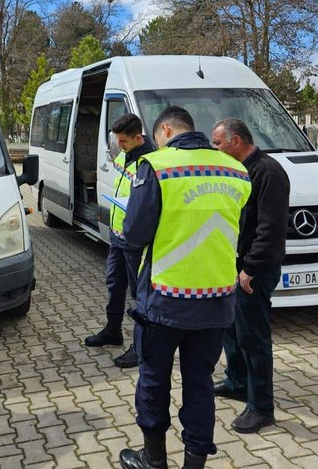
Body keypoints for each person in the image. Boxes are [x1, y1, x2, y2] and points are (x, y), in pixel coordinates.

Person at [119, 106, 251, 469]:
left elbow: (134, 233)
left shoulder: (156, 166)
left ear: (165, 130)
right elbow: (239, 229)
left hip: (164, 301)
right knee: (200, 383)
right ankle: (195, 464)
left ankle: (154, 460)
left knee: (153, 381)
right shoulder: (236, 170)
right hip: (216, 302)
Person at [211, 118, 290, 434]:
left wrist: (250, 268)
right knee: (231, 329)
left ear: (236, 141)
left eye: (218, 142)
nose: (215, 148)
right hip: (235, 266)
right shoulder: (237, 170)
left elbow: (270, 229)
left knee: (253, 338)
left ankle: (261, 407)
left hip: (254, 271)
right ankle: (237, 381)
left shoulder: (268, 172)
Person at [84, 113, 156, 368]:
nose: (120, 146)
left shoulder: (151, 161)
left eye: (124, 141)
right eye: (118, 141)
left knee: (139, 295)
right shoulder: (125, 156)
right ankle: (113, 331)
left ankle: (140, 346)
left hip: (135, 241)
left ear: (138, 137)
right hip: (117, 237)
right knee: (114, 285)